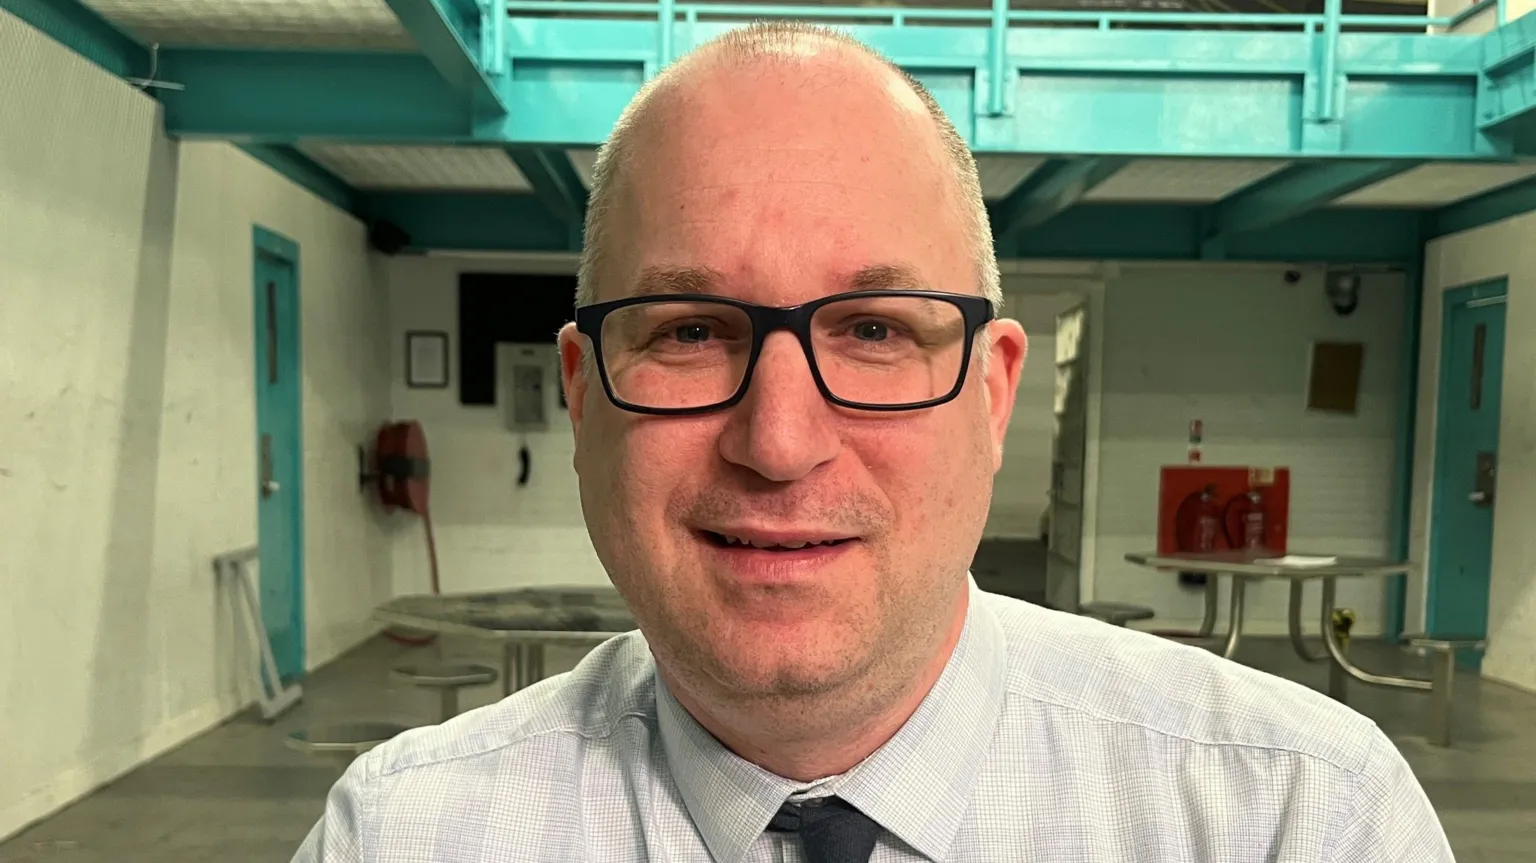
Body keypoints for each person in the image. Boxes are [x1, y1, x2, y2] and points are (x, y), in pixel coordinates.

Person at [293, 21, 1452, 863]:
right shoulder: (403, 835)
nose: (781, 440)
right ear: (586, 394)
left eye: (875, 330)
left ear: (993, 398)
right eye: (693, 330)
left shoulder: (1298, 819)